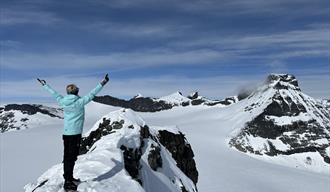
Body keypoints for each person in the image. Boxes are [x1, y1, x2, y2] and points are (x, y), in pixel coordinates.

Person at [37, 74, 109, 191]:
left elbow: (54, 93)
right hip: (75, 134)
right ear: (76, 92)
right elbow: (92, 93)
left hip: (66, 134)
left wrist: (45, 85)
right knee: (71, 157)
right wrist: (103, 83)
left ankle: (68, 177)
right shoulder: (80, 102)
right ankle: (68, 182)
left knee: (67, 156)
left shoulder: (62, 101)